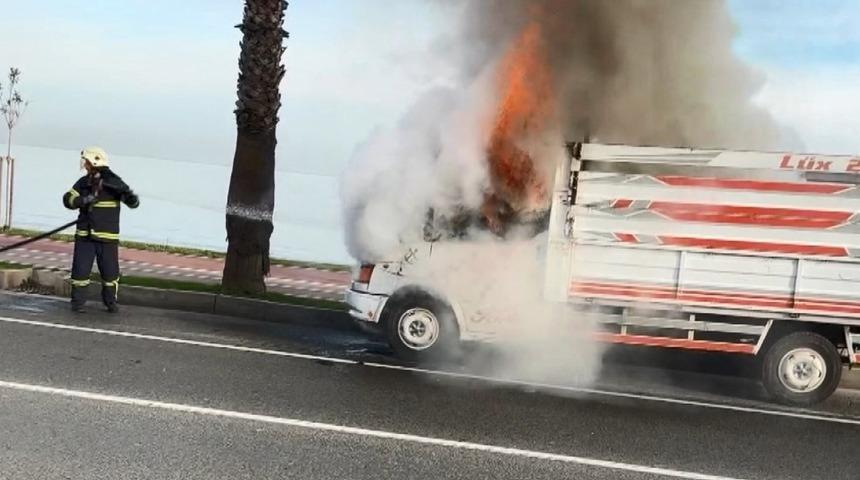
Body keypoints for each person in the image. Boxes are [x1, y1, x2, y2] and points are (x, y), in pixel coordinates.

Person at [62, 146, 139, 313]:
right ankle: (78, 304)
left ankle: (110, 303)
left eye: (87, 162)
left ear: (94, 161)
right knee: (80, 272)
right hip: (85, 237)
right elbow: (67, 198)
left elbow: (133, 202)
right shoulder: (84, 182)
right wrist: (81, 201)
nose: (85, 165)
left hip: (107, 239)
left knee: (110, 273)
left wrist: (127, 195)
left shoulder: (114, 182)